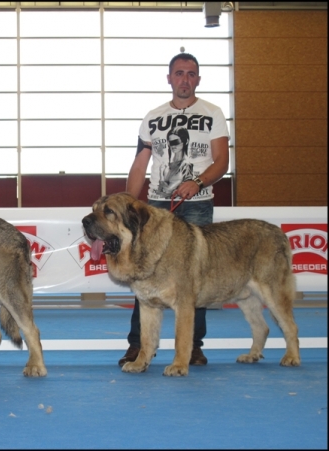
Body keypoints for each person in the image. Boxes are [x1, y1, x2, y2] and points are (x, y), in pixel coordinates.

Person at [119, 52, 230, 367]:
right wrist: (130, 203)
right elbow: (140, 163)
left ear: (198, 79)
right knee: (144, 277)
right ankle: (138, 346)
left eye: (191, 73)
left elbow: (221, 161)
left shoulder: (213, 113)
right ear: (169, 78)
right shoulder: (152, 116)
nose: (185, 79)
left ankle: (192, 347)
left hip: (196, 206)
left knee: (193, 279)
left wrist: (197, 181)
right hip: (155, 208)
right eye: (179, 73)